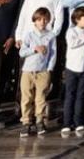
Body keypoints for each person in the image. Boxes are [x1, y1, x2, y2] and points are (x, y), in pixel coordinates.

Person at [19, 7, 57, 137]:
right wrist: (34, 49)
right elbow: (22, 52)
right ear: (35, 20)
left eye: (45, 19)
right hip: (28, 71)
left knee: (40, 98)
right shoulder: (29, 35)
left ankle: (40, 120)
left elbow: (53, 54)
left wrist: (49, 69)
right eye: (39, 19)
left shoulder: (51, 36)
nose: (42, 22)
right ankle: (26, 122)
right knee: (26, 98)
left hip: (42, 71)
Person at [62, 6, 84, 134]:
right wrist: (83, 39)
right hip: (72, 68)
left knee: (81, 96)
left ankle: (78, 121)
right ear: (77, 19)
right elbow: (72, 44)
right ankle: (67, 122)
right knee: (70, 95)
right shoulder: (71, 31)